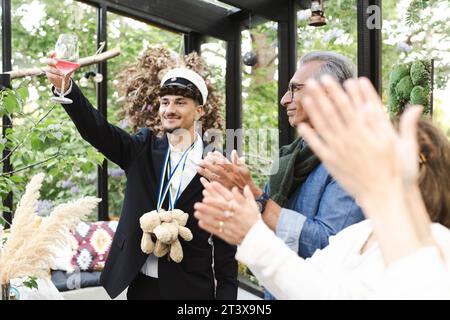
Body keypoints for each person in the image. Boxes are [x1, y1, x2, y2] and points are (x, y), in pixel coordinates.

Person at [194, 76, 450, 299]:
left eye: (369, 155)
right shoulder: (359, 233)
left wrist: (253, 228)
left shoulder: (439, 243)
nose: (355, 165)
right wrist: (250, 221)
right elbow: (312, 287)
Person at [45, 58, 238, 299]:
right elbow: (97, 130)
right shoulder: (142, 148)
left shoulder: (215, 165)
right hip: (142, 286)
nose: (169, 109)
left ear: (199, 110)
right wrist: (67, 90)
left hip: (192, 289)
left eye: (180, 102)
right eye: (164, 102)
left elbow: (225, 245)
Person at [198, 52, 364, 299]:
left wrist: (255, 197)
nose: (285, 100)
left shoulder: (353, 156)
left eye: (295, 88)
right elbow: (259, 221)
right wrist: (234, 189)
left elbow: (328, 245)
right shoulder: (291, 156)